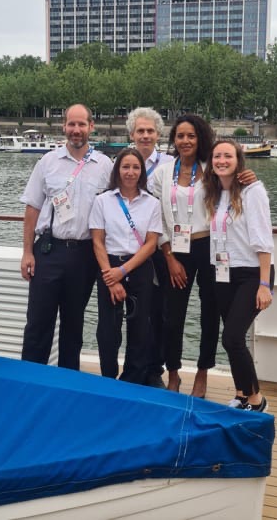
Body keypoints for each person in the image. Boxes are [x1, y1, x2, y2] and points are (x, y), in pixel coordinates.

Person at [153, 114, 257, 397]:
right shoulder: (163, 171)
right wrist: (169, 256)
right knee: (172, 316)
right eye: (180, 136)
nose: (185, 141)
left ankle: (202, 372)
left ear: (200, 139)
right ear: (173, 139)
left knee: (210, 315)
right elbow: (154, 216)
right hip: (176, 250)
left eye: (191, 136)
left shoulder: (211, 168)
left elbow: (237, 185)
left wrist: (247, 177)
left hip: (211, 248)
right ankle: (173, 373)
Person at [20, 104, 113, 370]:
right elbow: (32, 208)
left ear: (91, 127)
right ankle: (31, 380)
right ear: (64, 126)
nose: (76, 130)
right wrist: (27, 252)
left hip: (85, 255)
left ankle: (67, 380)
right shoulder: (48, 162)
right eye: (71, 124)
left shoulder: (104, 165)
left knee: (74, 324)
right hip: (49, 250)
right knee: (39, 321)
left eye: (81, 124)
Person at [204, 140, 275, 412]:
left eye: (228, 156)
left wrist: (264, 284)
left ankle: (257, 401)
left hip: (251, 274)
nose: (222, 160)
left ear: (238, 160)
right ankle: (242, 393)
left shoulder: (252, 191)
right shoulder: (214, 193)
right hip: (223, 273)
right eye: (217, 156)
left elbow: (263, 239)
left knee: (232, 337)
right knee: (233, 338)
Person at [89, 148, 162, 385]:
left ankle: (133, 378)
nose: (130, 172)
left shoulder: (152, 203)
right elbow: (97, 240)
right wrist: (112, 277)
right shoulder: (102, 201)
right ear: (117, 170)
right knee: (108, 328)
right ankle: (108, 376)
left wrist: (123, 271)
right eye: (125, 167)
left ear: (141, 172)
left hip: (138, 267)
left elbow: (151, 244)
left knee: (140, 327)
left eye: (135, 167)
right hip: (108, 266)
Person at [126, 107, 173, 388]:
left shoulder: (170, 164)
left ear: (158, 134)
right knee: (133, 311)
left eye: (150, 131)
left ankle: (155, 368)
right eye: (140, 131)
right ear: (131, 134)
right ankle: (133, 367)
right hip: (129, 249)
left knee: (160, 311)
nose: (145, 136)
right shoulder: (120, 163)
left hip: (162, 247)